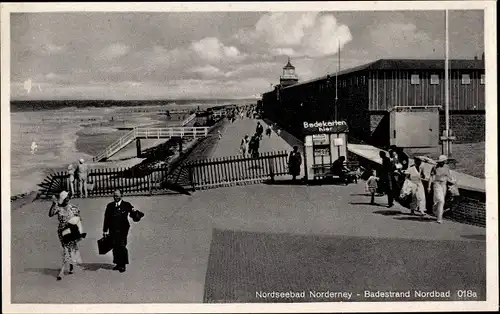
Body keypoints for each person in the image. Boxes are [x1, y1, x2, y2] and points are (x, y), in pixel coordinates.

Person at [49, 191, 86, 281]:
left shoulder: (73, 207)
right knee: (67, 249)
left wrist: (79, 231)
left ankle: (64, 270)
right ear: (63, 199)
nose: (68, 199)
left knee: (70, 248)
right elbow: (50, 214)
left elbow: (79, 218)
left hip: (72, 230)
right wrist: (53, 204)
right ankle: (70, 265)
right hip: (62, 231)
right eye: (66, 198)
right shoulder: (58, 207)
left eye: (69, 197)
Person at [103, 190, 141, 272]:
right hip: (113, 228)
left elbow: (132, 213)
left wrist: (136, 214)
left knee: (121, 244)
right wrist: (105, 230)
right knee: (115, 245)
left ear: (121, 196)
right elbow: (107, 218)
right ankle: (117, 263)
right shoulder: (110, 206)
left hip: (123, 228)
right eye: (114, 196)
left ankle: (123, 264)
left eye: (117, 196)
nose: (115, 197)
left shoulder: (126, 205)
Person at [428, 155, 453, 224]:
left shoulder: (447, 167)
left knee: (442, 201)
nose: (442, 163)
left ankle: (438, 215)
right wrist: (429, 187)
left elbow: (449, 176)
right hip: (437, 184)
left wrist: (452, 183)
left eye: (443, 161)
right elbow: (431, 177)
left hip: (444, 185)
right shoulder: (434, 167)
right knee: (441, 200)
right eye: (441, 162)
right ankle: (439, 217)